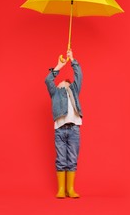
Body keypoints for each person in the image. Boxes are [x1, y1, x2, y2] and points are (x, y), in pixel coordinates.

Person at [45, 49, 83, 198]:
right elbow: (48, 80)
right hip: (60, 130)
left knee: (72, 159)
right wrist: (59, 67)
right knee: (61, 159)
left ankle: (70, 189)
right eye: (62, 82)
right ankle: (61, 190)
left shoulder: (73, 90)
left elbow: (79, 76)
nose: (64, 82)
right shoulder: (55, 92)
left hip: (73, 129)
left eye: (67, 82)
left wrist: (72, 60)